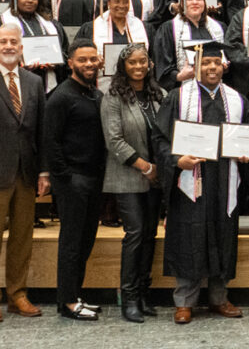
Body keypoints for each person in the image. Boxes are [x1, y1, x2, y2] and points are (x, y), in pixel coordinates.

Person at [152, 40, 249, 324]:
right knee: (189, 236)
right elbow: (160, 138)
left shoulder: (236, 99)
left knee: (223, 235)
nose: (211, 67)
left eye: (215, 63)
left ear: (224, 66)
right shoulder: (178, 97)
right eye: (205, 63)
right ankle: (184, 301)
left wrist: (248, 155)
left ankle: (219, 298)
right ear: (195, 67)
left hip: (224, 178)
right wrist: (176, 161)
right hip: (190, 180)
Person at [0, 23, 48, 323]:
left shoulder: (33, 83)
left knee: (23, 237)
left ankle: (18, 294)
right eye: (3, 42)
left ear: (22, 48)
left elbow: (42, 132)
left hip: (27, 174)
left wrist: (44, 171)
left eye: (13, 42)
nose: (8, 46)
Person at [100, 43, 164, 323]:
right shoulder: (113, 96)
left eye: (143, 62)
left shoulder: (158, 93)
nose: (138, 67)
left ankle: (143, 293)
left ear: (149, 64)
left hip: (156, 177)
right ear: (123, 66)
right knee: (136, 233)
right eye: (132, 63)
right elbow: (114, 141)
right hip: (128, 176)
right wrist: (145, 166)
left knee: (149, 234)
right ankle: (128, 299)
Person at [44, 38, 105, 320]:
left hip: (94, 179)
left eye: (93, 59)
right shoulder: (60, 96)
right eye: (82, 60)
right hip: (73, 181)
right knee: (71, 243)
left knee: (85, 241)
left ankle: (74, 296)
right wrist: (66, 179)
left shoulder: (94, 94)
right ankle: (67, 302)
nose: (89, 64)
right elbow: (51, 142)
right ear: (70, 63)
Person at [0, 0, 69, 93]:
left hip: (49, 90)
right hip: (11, 89)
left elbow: (65, 53)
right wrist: (16, 62)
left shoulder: (52, 25)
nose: (30, 0)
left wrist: (56, 64)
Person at [153, 0, 225, 91]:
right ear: (181, 3)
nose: (195, 2)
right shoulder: (168, 28)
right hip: (181, 91)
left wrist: (224, 65)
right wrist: (179, 76)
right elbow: (162, 66)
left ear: (205, 2)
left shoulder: (218, 28)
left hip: (213, 89)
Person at [75, 0, 152, 79]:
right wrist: (94, 61)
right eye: (117, 1)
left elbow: (151, 58)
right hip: (103, 85)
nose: (122, 5)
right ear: (109, 3)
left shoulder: (142, 27)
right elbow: (77, 57)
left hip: (135, 83)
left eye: (125, 1)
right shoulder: (91, 28)